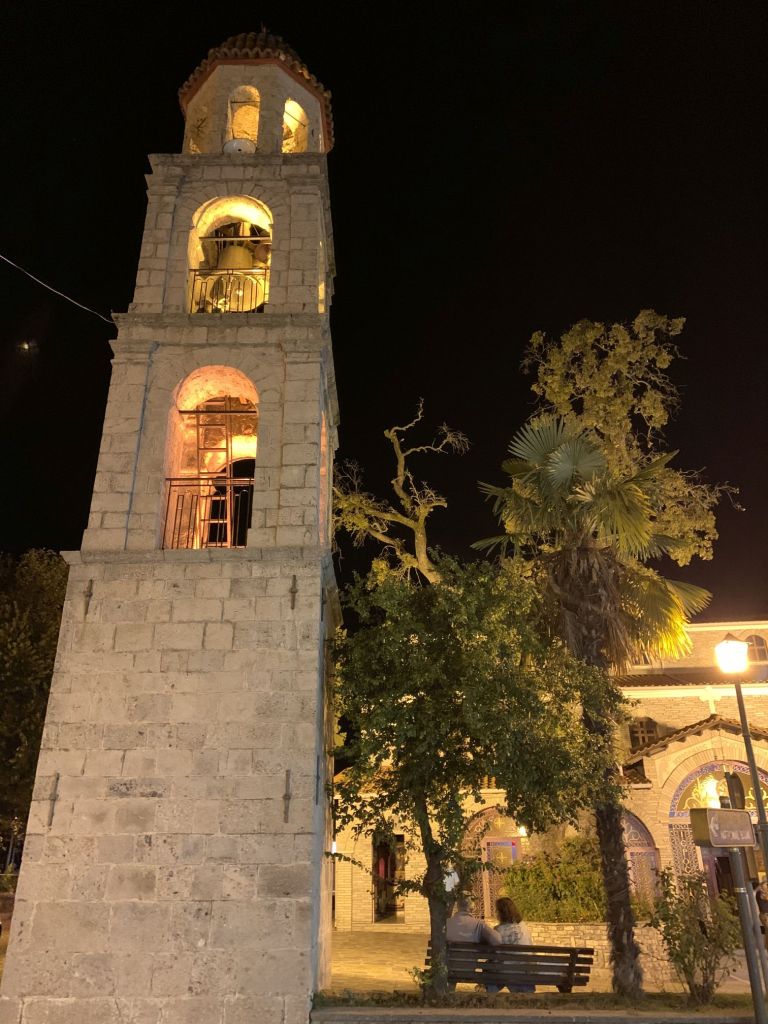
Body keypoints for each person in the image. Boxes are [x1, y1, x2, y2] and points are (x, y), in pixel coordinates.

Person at [489, 896, 535, 993]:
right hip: (526, 971)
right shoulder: (523, 926)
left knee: (492, 966)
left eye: (496, 910)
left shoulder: (498, 930)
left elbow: (495, 954)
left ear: (501, 913)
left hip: (507, 972)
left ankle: (490, 991)